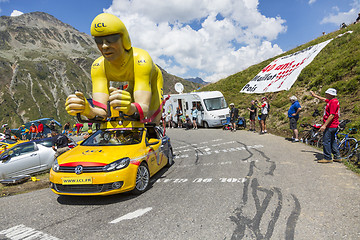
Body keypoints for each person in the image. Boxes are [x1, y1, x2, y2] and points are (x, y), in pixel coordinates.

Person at [65, 13, 164, 124]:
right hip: (133, 82)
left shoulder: (142, 60)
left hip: (153, 81)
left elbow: (143, 109)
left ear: (124, 39)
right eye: (99, 41)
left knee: (150, 123)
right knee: (125, 115)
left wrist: (130, 108)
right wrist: (88, 110)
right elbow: (102, 113)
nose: (104, 46)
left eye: (111, 39)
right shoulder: (98, 66)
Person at [310, 88, 340, 163]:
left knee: (326, 141)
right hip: (334, 125)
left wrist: (324, 125)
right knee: (332, 141)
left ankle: (327, 157)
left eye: (327, 93)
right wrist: (315, 96)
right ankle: (337, 156)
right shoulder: (332, 101)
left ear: (330, 94)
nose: (325, 95)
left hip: (331, 125)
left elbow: (332, 115)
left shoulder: (333, 102)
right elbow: (323, 99)